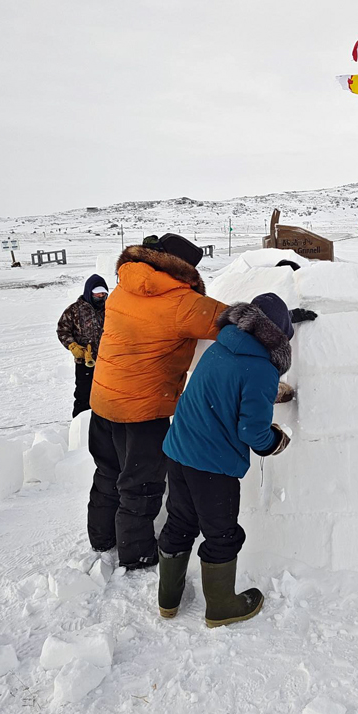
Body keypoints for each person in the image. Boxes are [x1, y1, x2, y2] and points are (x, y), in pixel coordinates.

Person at [87, 235, 228, 570]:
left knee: (108, 473)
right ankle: (136, 555)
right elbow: (228, 321)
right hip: (142, 411)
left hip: (103, 400)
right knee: (141, 484)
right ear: (185, 269)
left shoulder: (125, 285)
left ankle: (101, 538)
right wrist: (271, 318)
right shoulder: (181, 301)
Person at [157, 293, 294, 627]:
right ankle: (220, 606)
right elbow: (253, 432)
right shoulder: (261, 368)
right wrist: (277, 441)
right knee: (222, 534)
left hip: (179, 451)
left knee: (180, 522)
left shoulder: (219, 347)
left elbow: (223, 393)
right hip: (212, 465)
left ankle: (168, 600)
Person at [56, 274, 109, 417]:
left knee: (106, 395)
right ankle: (79, 425)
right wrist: (73, 346)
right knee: (83, 395)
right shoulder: (74, 310)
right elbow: (62, 330)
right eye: (98, 293)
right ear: (89, 292)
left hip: (107, 361)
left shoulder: (110, 308)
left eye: (104, 293)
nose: (101, 296)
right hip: (84, 361)